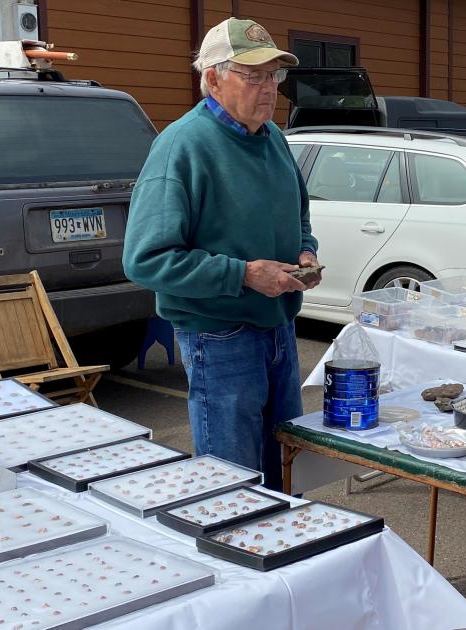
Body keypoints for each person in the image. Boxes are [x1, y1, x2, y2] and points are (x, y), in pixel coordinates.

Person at [122, 17, 319, 491]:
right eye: (254, 76)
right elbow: (145, 259)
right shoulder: (181, 147)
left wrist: (305, 252)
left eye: (274, 76)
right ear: (212, 78)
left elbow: (300, 211)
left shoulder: (271, 137)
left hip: (278, 326)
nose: (269, 89)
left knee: (284, 474)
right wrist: (244, 275)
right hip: (219, 337)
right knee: (230, 486)